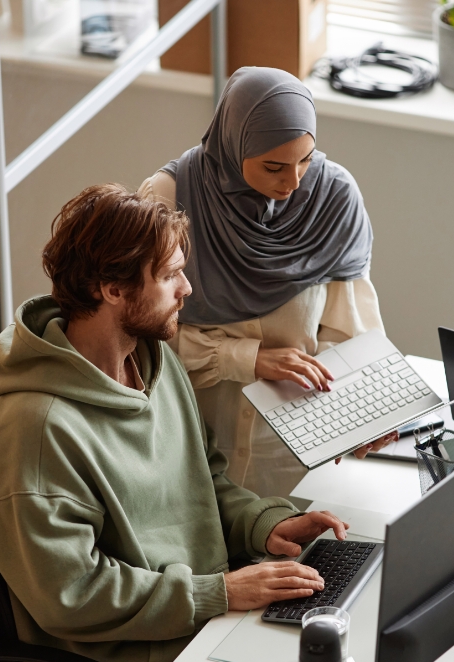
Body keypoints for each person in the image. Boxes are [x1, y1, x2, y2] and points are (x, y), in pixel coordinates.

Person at [0, 184, 349, 662]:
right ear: (112, 289)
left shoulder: (154, 363)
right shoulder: (36, 429)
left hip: (201, 623)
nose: (188, 289)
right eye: (171, 275)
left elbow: (207, 479)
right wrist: (216, 593)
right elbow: (70, 592)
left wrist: (264, 524)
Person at [138, 67, 396, 499]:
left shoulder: (334, 200)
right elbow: (142, 341)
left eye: (305, 159)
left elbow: (351, 335)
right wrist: (245, 359)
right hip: (190, 444)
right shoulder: (170, 198)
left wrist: (362, 415)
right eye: (273, 166)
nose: (293, 181)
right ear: (234, 142)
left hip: (295, 455)